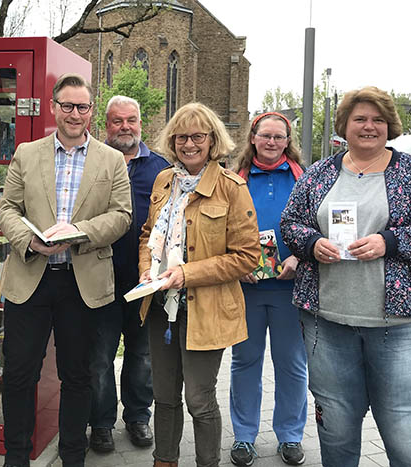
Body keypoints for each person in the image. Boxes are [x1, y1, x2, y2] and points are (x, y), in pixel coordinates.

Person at [280, 86, 411, 467]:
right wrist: (312, 244)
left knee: (407, 434)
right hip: (327, 323)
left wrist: (390, 242)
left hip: (401, 326)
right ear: (344, 126)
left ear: (389, 126)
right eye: (360, 119)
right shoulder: (319, 174)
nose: (369, 126)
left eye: (377, 120)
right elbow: (291, 223)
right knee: (336, 431)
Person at [0, 73, 132, 467]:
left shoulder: (111, 160)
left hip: (82, 282)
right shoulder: (27, 152)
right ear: (54, 107)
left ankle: (73, 455)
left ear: (92, 111)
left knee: (78, 375)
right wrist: (28, 240)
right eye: (67, 106)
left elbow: (122, 215)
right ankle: (16, 457)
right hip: (31, 278)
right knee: (20, 374)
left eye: (83, 107)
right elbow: (8, 210)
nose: (75, 114)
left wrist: (79, 232)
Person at [138, 103, 260, 467]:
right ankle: (165, 460)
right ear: (172, 140)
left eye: (197, 137)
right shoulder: (164, 181)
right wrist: (147, 269)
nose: (189, 144)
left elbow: (246, 256)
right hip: (160, 305)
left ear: (211, 141)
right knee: (163, 395)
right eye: (181, 137)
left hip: (205, 310)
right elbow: (148, 235)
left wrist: (187, 274)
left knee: (199, 399)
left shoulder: (231, 187)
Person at [89, 95, 169, 453]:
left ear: (141, 123)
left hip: (144, 282)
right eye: (117, 121)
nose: (125, 127)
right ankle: (102, 423)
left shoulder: (161, 169)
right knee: (100, 358)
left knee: (142, 355)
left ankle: (138, 417)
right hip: (99, 280)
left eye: (131, 120)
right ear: (106, 125)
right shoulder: (93, 162)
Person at [229, 112, 307, 466]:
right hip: (247, 289)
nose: (272, 142)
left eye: (279, 137)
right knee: (245, 362)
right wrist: (236, 263)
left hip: (291, 289)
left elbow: (318, 227)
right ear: (253, 138)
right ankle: (244, 437)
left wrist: (301, 260)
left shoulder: (305, 180)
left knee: (291, 364)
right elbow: (220, 231)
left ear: (288, 141)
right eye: (266, 136)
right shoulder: (234, 180)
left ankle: (290, 435)